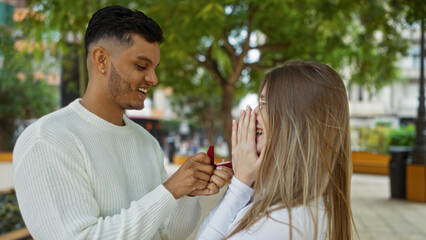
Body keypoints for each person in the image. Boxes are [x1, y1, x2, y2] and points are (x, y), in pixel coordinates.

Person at [13, 5, 232, 240]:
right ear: (101, 60)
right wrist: (169, 191)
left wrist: (186, 194)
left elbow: (169, 235)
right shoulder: (48, 139)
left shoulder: (146, 142)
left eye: (154, 68)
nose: (153, 79)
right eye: (141, 66)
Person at [196, 60, 357, 240]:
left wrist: (239, 186)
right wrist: (244, 184)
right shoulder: (278, 200)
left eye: (265, 104)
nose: (254, 112)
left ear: (294, 124)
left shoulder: (281, 222)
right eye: (260, 101)